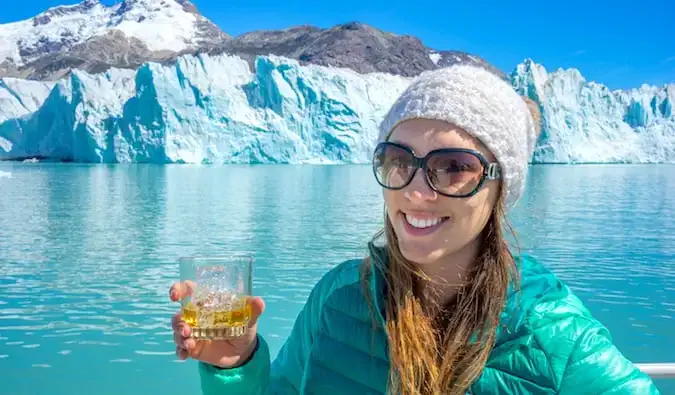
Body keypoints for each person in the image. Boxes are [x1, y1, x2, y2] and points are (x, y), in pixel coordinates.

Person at [169, 63, 660, 394]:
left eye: (453, 167)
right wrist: (235, 366)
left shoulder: (554, 337)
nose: (416, 192)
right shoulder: (339, 295)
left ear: (500, 186)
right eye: (397, 160)